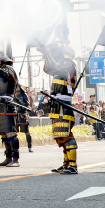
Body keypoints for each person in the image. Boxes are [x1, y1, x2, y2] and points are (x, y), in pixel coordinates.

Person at [37, 25, 79, 174]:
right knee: (60, 136)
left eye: (55, 53)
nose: (54, 55)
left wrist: (47, 52)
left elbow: (52, 66)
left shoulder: (68, 64)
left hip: (64, 104)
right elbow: (49, 67)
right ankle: (66, 163)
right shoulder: (62, 64)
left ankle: (73, 165)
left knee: (65, 135)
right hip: (57, 104)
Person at [14, 85, 34, 152]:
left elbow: (27, 105)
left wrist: (18, 102)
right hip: (15, 115)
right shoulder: (13, 95)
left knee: (27, 132)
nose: (16, 88)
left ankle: (29, 147)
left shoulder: (24, 95)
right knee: (13, 132)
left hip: (23, 114)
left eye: (17, 87)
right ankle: (14, 148)